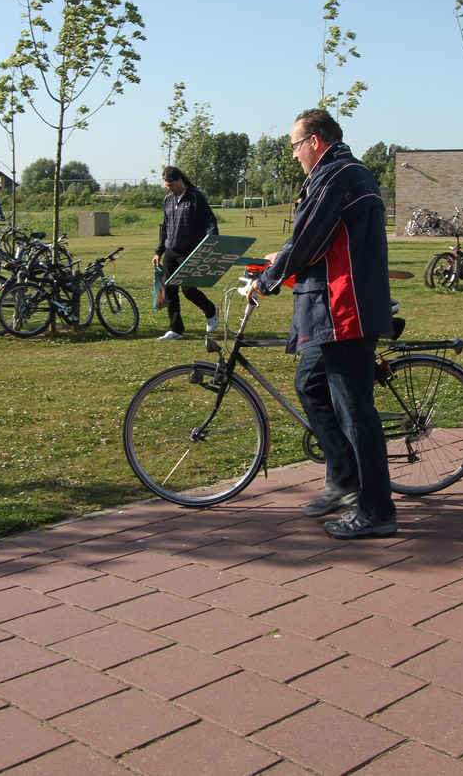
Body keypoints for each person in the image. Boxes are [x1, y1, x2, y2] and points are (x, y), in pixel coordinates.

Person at [245, 109, 396, 540]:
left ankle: (376, 509)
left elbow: (309, 242)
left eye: (295, 146)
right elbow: (312, 235)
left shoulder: (337, 176)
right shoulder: (338, 175)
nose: (293, 155)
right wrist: (281, 256)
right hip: (331, 308)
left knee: (355, 411)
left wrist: (268, 279)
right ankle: (344, 478)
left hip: (344, 310)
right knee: (310, 385)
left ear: (315, 141)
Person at [152, 166, 219, 342]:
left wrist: (212, 244)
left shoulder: (196, 197)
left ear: (180, 180)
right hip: (171, 251)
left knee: (188, 289)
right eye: (167, 186)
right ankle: (175, 330)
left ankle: (211, 310)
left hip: (191, 250)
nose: (170, 189)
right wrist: (159, 251)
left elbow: (210, 222)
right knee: (169, 290)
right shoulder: (168, 199)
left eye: (172, 185)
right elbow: (165, 227)